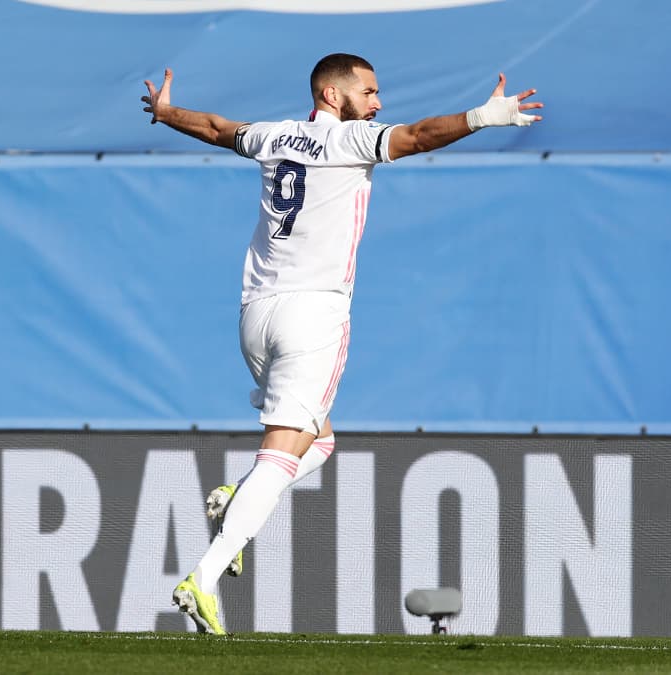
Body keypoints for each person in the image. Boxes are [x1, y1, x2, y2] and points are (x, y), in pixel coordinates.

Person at [141, 53, 542, 634]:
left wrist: (165, 112)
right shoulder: (350, 141)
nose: (378, 103)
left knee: (319, 444)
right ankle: (202, 578)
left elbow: (213, 128)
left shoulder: (275, 135)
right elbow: (420, 136)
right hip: (313, 314)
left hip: (255, 314)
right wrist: (483, 115)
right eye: (370, 92)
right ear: (334, 95)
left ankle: (238, 502)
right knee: (281, 456)